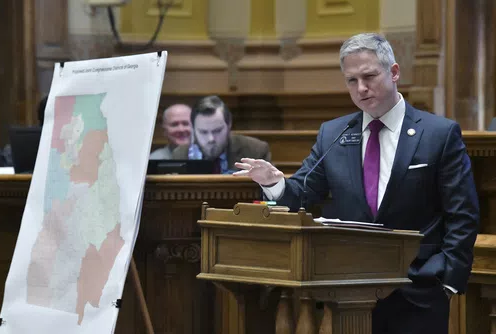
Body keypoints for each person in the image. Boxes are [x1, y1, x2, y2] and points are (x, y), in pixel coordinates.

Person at [234, 33, 479, 334]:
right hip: (348, 291)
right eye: (351, 80)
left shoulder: (438, 134)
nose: (361, 88)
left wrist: (447, 281)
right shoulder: (333, 134)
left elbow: (463, 215)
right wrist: (274, 182)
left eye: (369, 76)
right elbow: (302, 194)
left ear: (394, 72)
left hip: (419, 289)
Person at [171, 95, 271, 174]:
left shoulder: (256, 151)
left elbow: (270, 193)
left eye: (217, 131)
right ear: (193, 129)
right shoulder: (181, 154)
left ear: (229, 124)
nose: (211, 139)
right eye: (203, 132)